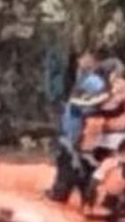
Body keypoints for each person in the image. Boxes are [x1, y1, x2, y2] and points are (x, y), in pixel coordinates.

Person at [46, 52, 109, 203]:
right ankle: (76, 195)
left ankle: (62, 195)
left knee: (69, 169)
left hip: (79, 138)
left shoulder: (93, 81)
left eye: (85, 57)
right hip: (73, 134)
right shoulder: (83, 78)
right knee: (72, 168)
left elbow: (96, 102)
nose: (80, 60)